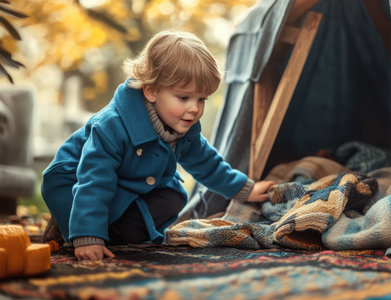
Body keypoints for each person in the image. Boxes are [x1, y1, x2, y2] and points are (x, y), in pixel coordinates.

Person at [41, 31, 275, 261]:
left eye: (201, 99)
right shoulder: (111, 126)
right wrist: (88, 235)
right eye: (184, 98)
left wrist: (244, 189)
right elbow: (95, 181)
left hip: (128, 184)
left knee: (173, 197)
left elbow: (206, 163)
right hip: (73, 181)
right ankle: (72, 226)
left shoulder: (184, 124)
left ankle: (110, 231)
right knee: (94, 219)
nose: (194, 108)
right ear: (151, 91)